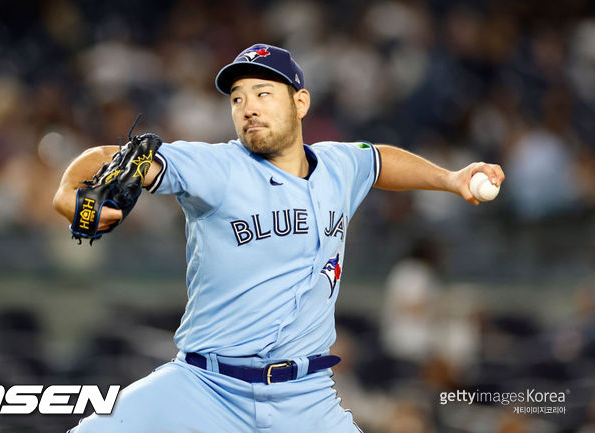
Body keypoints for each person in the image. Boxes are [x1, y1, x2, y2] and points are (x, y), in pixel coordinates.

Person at [53, 44, 504, 433]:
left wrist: (450, 178)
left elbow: (380, 161)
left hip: (305, 399)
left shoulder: (339, 165)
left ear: (300, 102)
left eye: (264, 93)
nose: (248, 107)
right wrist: (74, 198)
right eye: (237, 98)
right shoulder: (217, 169)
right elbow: (114, 157)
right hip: (204, 388)